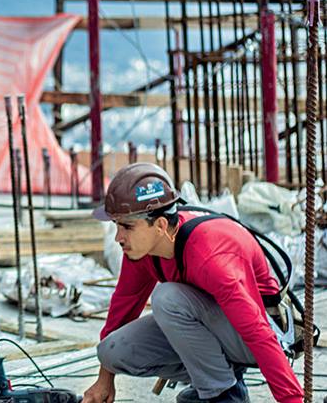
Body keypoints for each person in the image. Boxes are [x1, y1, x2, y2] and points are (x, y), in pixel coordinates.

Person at [83, 163, 303, 403]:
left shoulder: (210, 255)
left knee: (167, 299)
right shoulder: (142, 250)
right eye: (116, 225)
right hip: (217, 326)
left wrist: (292, 399)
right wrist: (105, 379)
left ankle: (223, 394)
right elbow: (123, 307)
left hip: (259, 335)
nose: (118, 237)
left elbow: (256, 330)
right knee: (111, 351)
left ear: (160, 225)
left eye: (126, 226)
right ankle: (216, 381)